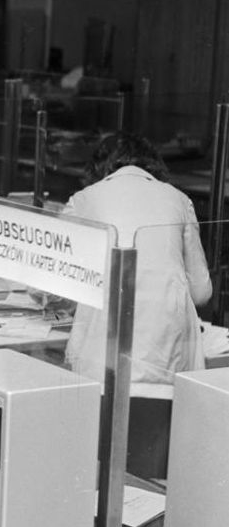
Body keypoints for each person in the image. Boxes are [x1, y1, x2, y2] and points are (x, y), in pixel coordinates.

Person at [64, 130, 212, 478]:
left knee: (95, 466)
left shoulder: (85, 198)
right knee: (153, 474)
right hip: (166, 355)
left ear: (101, 167)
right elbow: (202, 291)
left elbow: (57, 279)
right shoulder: (178, 199)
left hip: (102, 353)